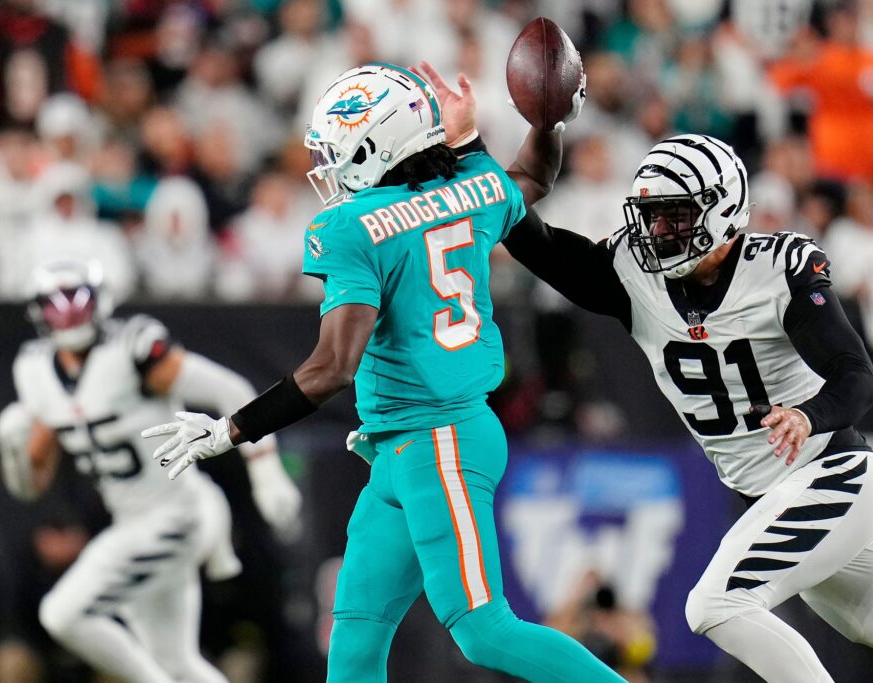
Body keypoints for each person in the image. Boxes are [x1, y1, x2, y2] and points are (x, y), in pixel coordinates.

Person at [429, 76, 873, 680]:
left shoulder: (778, 268)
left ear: (724, 209)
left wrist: (807, 415)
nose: (658, 232)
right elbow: (528, 235)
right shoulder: (633, 277)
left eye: (674, 216)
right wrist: (469, 147)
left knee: (716, 605)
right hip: (774, 494)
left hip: (831, 477)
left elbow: (858, 377)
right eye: (651, 216)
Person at [141, 61, 623, 683]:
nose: (330, 171)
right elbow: (533, 175)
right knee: (356, 635)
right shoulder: (472, 180)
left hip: (441, 438)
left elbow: (332, 369)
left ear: (374, 148)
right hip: (405, 445)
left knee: (483, 630)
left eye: (339, 153)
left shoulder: (350, 227)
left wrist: (232, 429)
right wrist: (544, 122)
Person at [0, 258, 302, 683]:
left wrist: (267, 471)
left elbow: (230, 389)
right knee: (177, 663)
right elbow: (30, 487)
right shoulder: (35, 371)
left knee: (62, 614)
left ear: (100, 300)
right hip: (135, 519)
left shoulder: (131, 348)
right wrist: (13, 452)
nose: (68, 314)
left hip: (176, 512)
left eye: (78, 301)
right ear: (37, 312)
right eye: (56, 305)